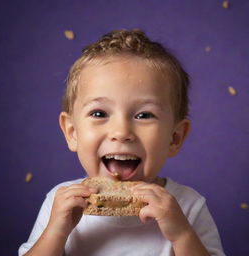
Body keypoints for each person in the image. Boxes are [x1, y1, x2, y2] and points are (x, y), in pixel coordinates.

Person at [19, 29, 225, 256]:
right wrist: (56, 232)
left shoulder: (188, 207)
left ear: (174, 138)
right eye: (99, 114)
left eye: (144, 115)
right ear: (72, 132)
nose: (121, 132)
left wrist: (182, 235)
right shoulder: (60, 203)